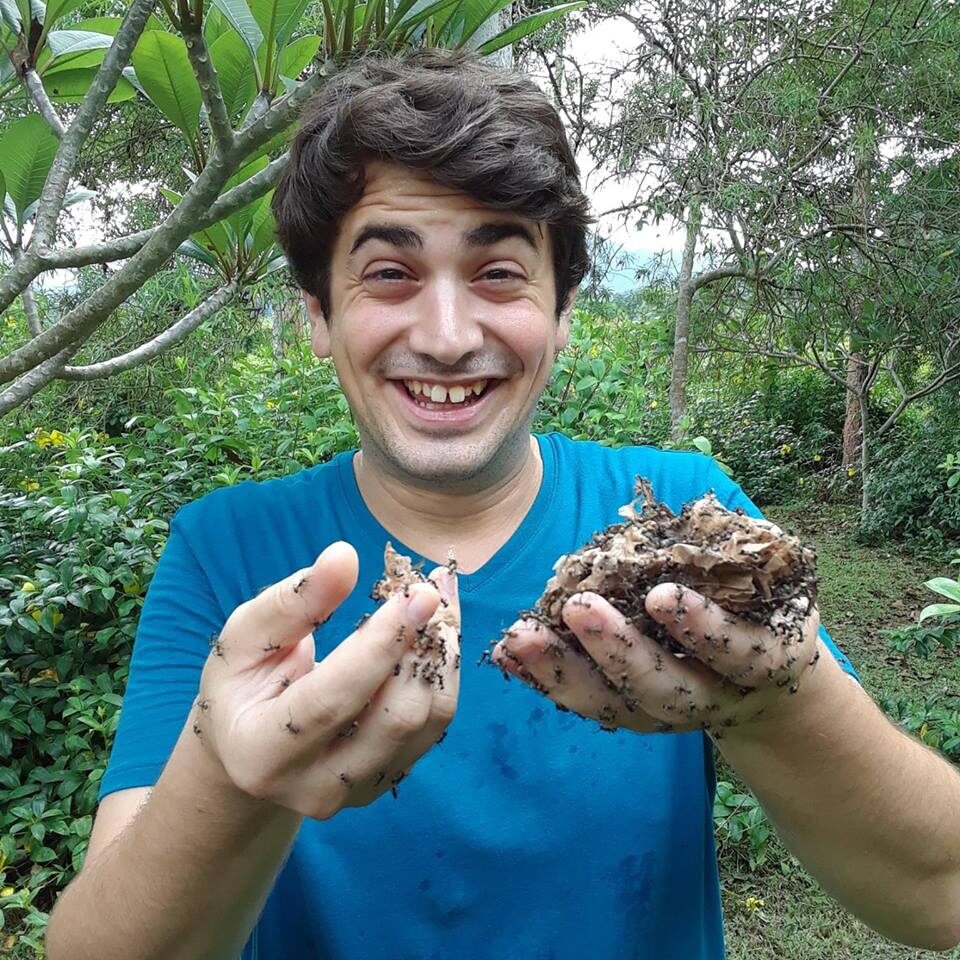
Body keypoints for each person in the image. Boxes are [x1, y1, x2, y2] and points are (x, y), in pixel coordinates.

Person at [46, 50, 960, 960]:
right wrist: (231, 777)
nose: (447, 339)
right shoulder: (229, 551)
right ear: (317, 316)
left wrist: (774, 709)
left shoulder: (687, 511)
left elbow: (941, 898)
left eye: (499, 273)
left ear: (562, 312)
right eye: (389, 274)